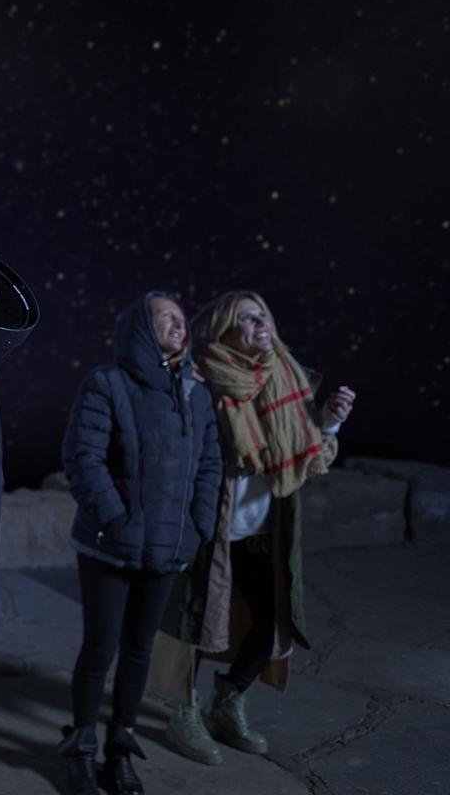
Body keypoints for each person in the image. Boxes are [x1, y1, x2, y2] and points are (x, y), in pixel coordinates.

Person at [157, 290, 356, 766]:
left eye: (263, 316)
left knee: (272, 619)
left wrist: (328, 422)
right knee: (196, 620)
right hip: (210, 523)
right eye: (247, 319)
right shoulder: (201, 380)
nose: (260, 325)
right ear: (226, 330)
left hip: (264, 524)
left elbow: (304, 449)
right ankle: (183, 711)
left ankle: (229, 701)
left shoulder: (286, 376)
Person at [58, 292, 223, 795]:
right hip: (111, 547)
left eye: (181, 318)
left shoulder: (195, 394)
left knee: (139, 650)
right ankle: (81, 749)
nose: (179, 324)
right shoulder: (108, 383)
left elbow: (210, 466)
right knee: (100, 648)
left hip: (168, 550)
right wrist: (118, 520)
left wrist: (197, 528)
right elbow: (83, 458)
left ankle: (119, 748)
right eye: (166, 318)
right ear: (141, 330)